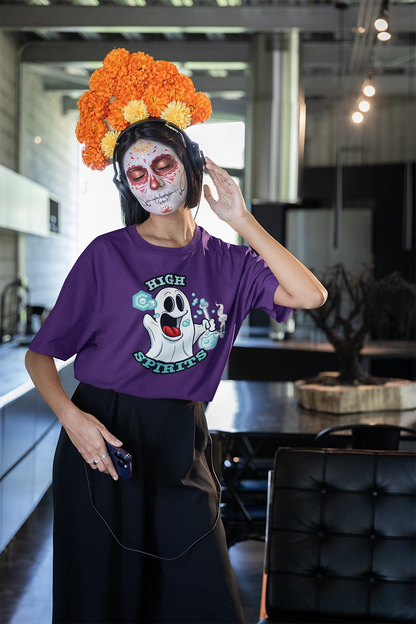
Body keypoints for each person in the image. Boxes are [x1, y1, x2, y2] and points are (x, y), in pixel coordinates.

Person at [25, 49, 327, 624]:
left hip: (181, 438)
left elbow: (310, 295)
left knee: (205, 601)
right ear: (126, 187)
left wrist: (240, 218)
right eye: (136, 174)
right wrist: (71, 417)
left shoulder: (232, 263)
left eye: (162, 165)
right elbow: (42, 356)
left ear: (190, 163)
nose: (152, 182)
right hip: (103, 436)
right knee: (102, 603)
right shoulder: (105, 256)